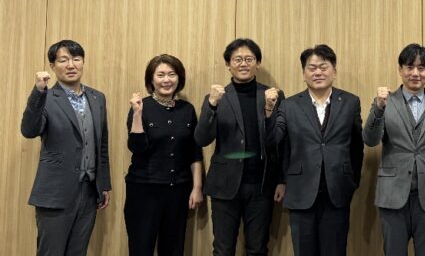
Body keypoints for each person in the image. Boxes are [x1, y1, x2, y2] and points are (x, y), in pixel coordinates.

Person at [266, 44, 364, 256]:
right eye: (311, 68)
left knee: (335, 251)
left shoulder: (350, 102)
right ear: (304, 74)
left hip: (337, 190)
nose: (318, 72)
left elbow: (357, 146)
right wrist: (268, 112)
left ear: (334, 71)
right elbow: (275, 141)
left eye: (323, 67)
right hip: (300, 191)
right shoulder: (289, 105)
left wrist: (352, 180)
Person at [362, 43, 425, 256]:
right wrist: (378, 108)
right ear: (400, 69)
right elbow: (370, 140)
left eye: (422, 68)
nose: (415, 73)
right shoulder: (385, 102)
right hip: (392, 195)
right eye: (409, 67)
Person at [21, 39, 112, 256]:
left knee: (78, 252)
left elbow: (102, 145)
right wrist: (38, 92)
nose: (71, 65)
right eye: (63, 60)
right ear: (53, 66)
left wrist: (104, 184)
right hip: (55, 193)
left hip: (89, 192)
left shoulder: (97, 97)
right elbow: (29, 130)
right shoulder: (46, 97)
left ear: (83, 62)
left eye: (76, 59)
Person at [195, 38, 284, 256]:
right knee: (223, 249)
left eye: (249, 59)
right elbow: (202, 139)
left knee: (257, 249)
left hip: (261, 185)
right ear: (228, 64)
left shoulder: (272, 96)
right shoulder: (216, 97)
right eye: (237, 59)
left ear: (258, 63)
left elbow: (278, 142)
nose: (243, 64)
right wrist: (211, 105)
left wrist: (281, 180)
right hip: (225, 186)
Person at [124, 54, 204, 256]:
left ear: (179, 78)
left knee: (173, 249)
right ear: (151, 79)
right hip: (144, 190)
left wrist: (197, 188)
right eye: (160, 75)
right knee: (141, 248)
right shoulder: (140, 107)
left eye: (172, 74)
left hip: (178, 190)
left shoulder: (187, 109)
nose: (166, 80)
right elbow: (137, 147)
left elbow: (194, 152)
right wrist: (137, 114)